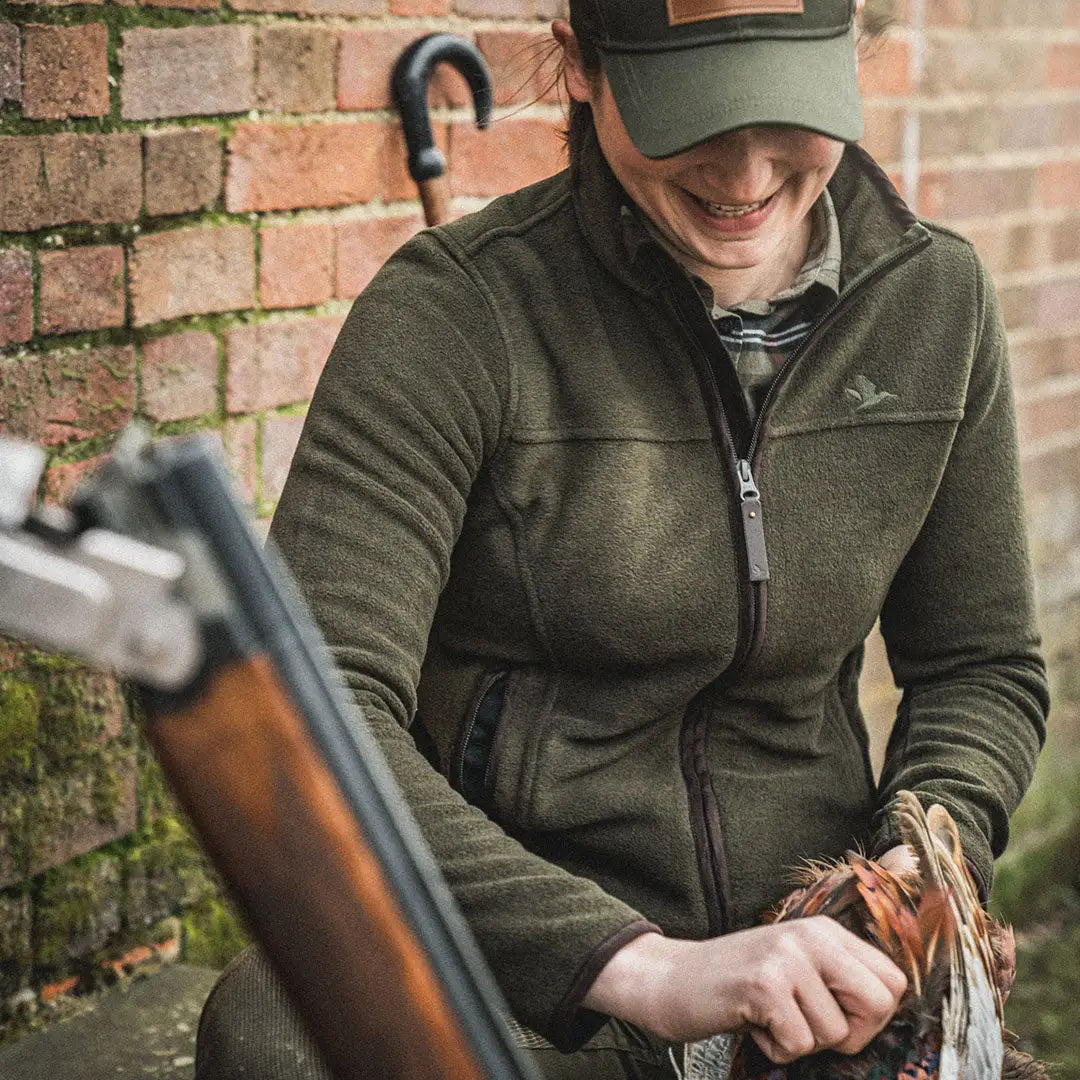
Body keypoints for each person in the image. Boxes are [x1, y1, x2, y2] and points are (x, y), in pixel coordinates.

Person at [195, 1, 1049, 1077]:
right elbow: (313, 713)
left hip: (816, 978)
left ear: (852, 52)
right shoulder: (454, 316)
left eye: (786, 111)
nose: (742, 179)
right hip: (535, 975)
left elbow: (980, 666)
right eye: (691, 117)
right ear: (583, 61)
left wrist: (912, 874)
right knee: (278, 1027)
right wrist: (638, 967)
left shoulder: (938, 302)